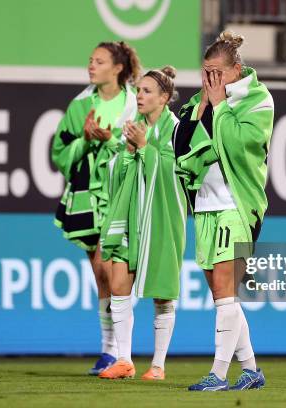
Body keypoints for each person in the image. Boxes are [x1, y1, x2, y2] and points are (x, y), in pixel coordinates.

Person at [173, 31, 274, 391]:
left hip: (237, 207)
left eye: (218, 71)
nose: (211, 79)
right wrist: (203, 107)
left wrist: (218, 107)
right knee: (221, 295)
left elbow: (237, 143)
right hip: (205, 206)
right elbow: (181, 145)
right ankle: (251, 371)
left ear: (237, 69)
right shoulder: (198, 102)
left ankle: (218, 375)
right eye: (205, 72)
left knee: (226, 290)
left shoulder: (258, 100)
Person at [51, 41, 141, 375]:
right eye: (90, 60)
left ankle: (118, 352)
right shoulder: (80, 104)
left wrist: (109, 139)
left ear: (117, 68)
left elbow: (142, 141)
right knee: (100, 275)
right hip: (89, 193)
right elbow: (60, 150)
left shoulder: (133, 101)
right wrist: (86, 140)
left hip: (120, 193)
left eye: (99, 61)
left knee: (109, 267)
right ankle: (109, 350)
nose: (91, 65)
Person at [98, 66, 187, 380]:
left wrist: (145, 147)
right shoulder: (132, 128)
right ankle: (124, 360)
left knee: (163, 294)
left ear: (164, 98)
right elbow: (118, 173)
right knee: (119, 285)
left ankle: (159, 365)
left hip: (161, 220)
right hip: (131, 217)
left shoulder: (176, 129)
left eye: (147, 91)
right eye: (138, 91)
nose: (140, 96)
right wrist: (126, 150)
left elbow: (176, 173)